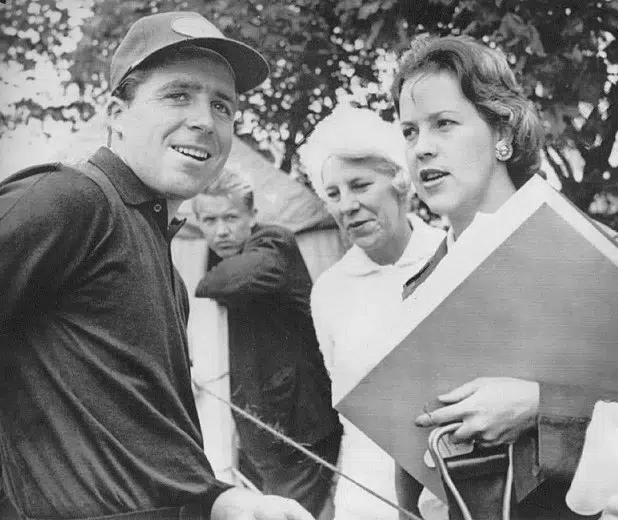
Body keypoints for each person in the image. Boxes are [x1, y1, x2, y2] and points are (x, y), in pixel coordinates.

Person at [0, 11, 314, 520]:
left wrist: (222, 500)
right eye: (178, 95)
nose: (204, 120)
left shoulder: (159, 252)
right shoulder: (69, 199)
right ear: (116, 112)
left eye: (223, 106)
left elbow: (145, 435)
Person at [391, 34, 618, 518]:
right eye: (409, 131)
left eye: (444, 124)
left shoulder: (601, 255)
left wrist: (539, 406)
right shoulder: (419, 289)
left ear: (502, 133)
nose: (422, 148)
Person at [300, 106, 447, 519]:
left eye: (360, 185)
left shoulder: (453, 255)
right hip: (366, 495)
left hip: (452, 490)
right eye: (333, 194)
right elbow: (345, 399)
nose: (347, 205)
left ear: (400, 183)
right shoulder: (329, 291)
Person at [191, 169, 343, 520]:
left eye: (231, 218)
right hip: (256, 429)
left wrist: (202, 282)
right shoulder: (221, 252)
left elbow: (237, 277)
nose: (222, 231)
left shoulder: (275, 242)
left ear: (253, 216)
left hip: (299, 429)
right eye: (210, 220)